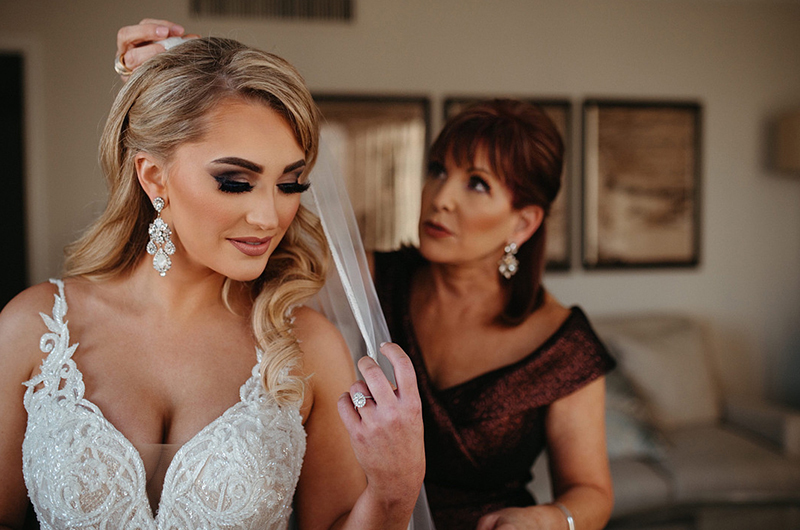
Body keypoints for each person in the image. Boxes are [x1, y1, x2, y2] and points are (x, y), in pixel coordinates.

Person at [115, 21, 616, 530]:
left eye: (478, 185)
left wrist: (552, 520)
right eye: (438, 170)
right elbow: (252, 232)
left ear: (524, 222)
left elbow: (593, 491)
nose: (441, 197)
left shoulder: (564, 344)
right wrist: (186, 68)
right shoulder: (368, 279)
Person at [0, 36, 424, 529]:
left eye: (289, 184)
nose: (269, 216)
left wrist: (394, 492)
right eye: (235, 182)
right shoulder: (31, 329)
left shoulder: (308, 349)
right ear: (154, 177)